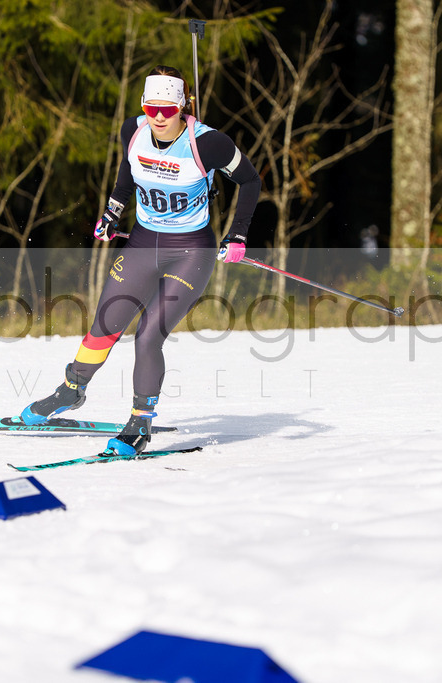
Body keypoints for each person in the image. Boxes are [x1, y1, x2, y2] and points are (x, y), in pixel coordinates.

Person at [20, 65, 261, 455]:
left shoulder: (209, 143)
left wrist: (239, 234)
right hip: (143, 242)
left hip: (191, 251)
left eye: (168, 109)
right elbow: (127, 171)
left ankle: (139, 423)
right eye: (152, 109)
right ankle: (71, 390)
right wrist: (114, 210)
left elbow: (251, 181)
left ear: (183, 106)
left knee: (148, 335)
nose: (160, 118)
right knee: (105, 324)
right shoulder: (133, 130)